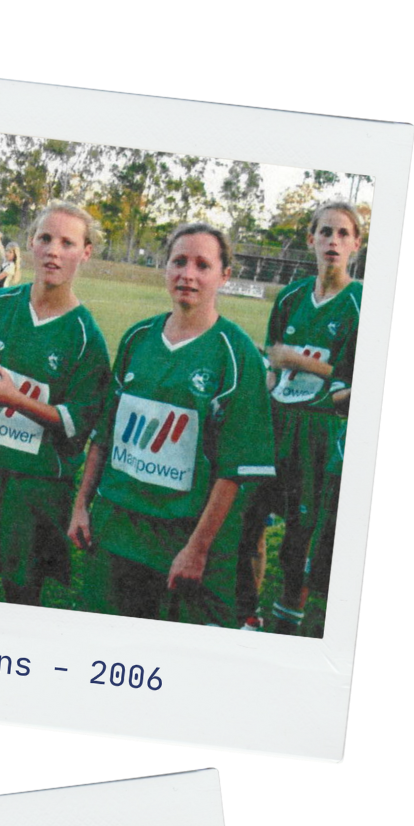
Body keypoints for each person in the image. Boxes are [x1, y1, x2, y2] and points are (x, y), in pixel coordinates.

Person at [71, 222, 276, 624]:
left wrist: (197, 549)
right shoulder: (137, 338)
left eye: (203, 265)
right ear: (166, 268)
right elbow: (105, 435)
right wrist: (81, 506)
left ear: (224, 276)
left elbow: (234, 470)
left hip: (179, 542)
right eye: (179, 262)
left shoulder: (236, 355)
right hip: (116, 530)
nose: (188, 274)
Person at [0, 201, 113, 605]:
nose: (53, 251)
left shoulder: (86, 339)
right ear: (30, 242)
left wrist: (18, 400)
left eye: (68, 242)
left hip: (36, 489)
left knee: (22, 595)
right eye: (45, 238)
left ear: (85, 252)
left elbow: (77, 426)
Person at [239, 199, 366, 633]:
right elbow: (274, 364)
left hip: (319, 432)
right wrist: (274, 379)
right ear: (311, 239)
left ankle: (287, 624)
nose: (333, 241)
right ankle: (247, 614)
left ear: (356, 245)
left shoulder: (362, 303)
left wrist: (299, 360)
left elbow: (365, 377)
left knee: (301, 534)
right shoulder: (291, 297)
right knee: (249, 516)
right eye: (325, 232)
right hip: (277, 423)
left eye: (343, 234)